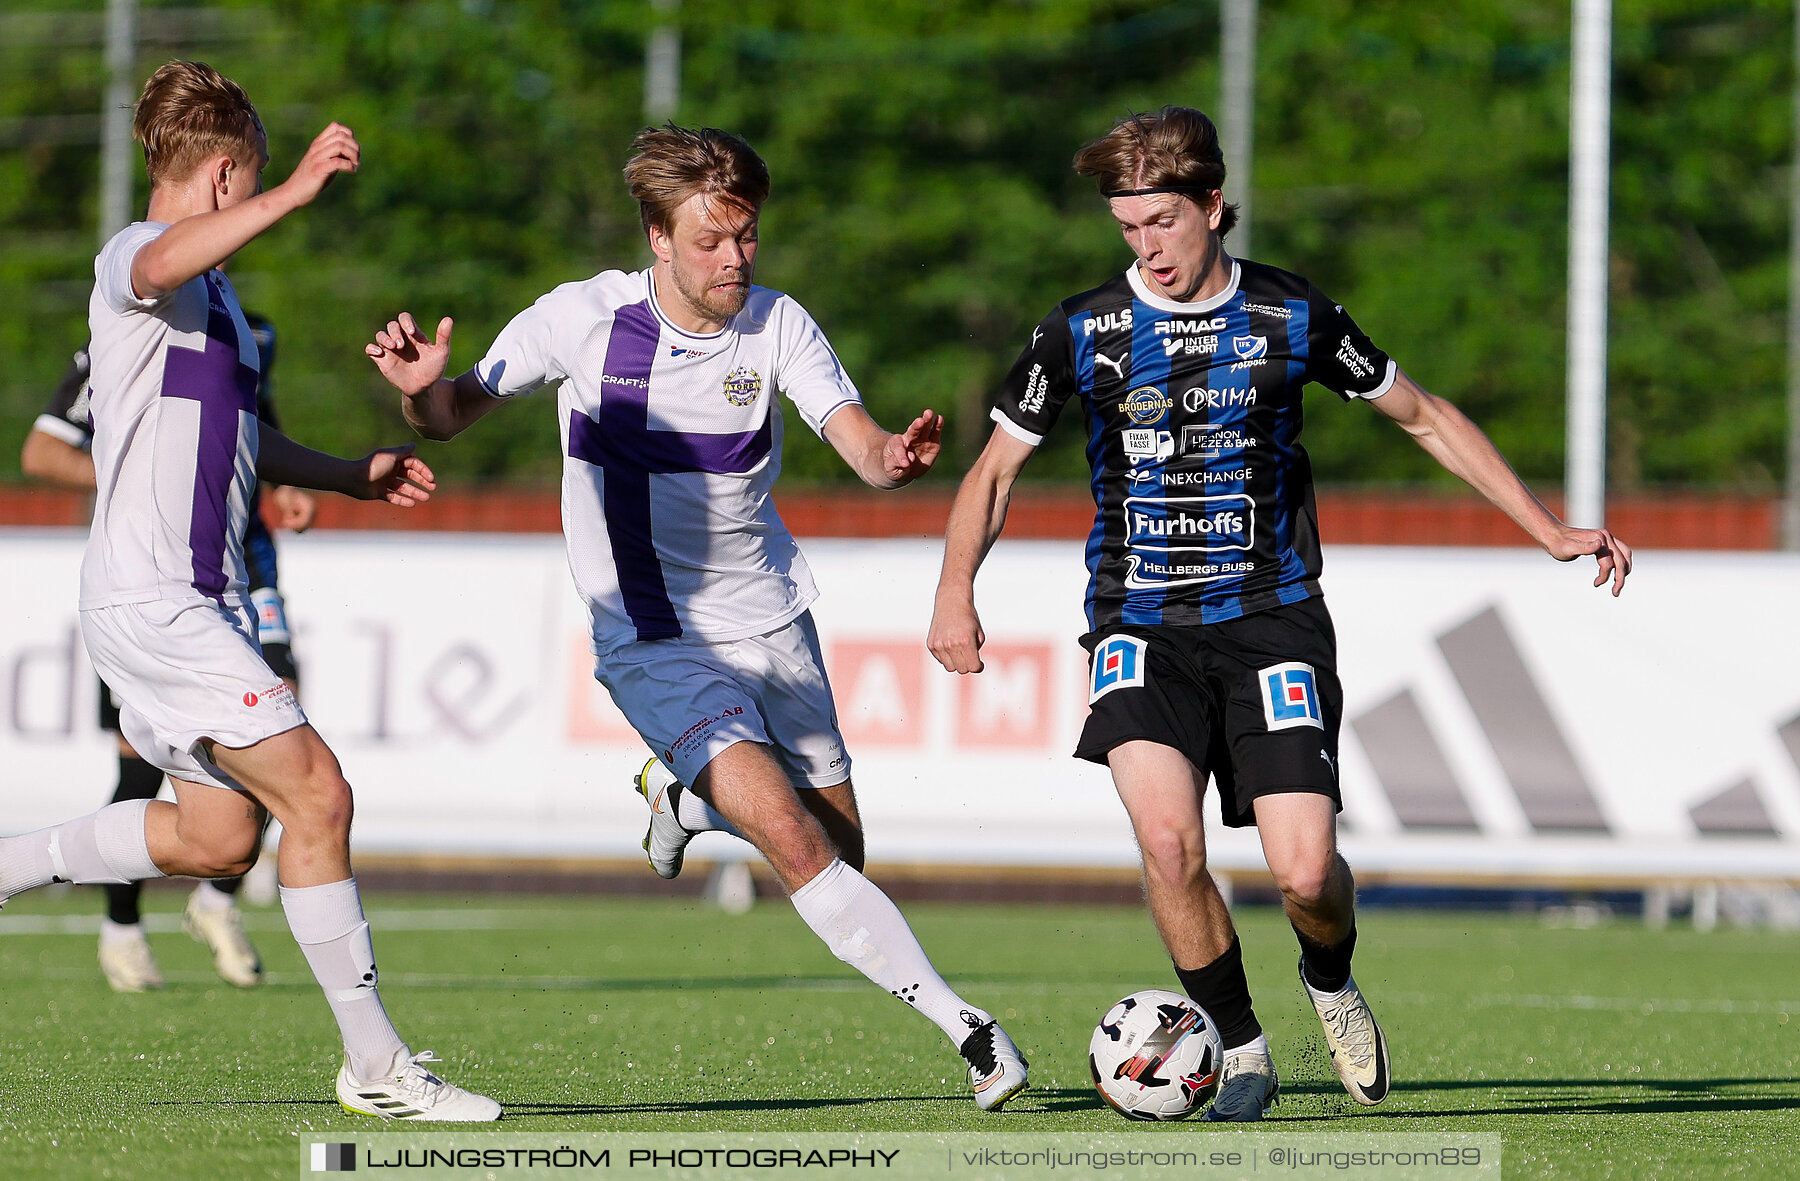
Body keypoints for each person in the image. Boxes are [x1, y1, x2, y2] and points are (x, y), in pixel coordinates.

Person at [927, 106, 1632, 1122]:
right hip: (1139, 622)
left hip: (1274, 619)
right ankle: (1243, 1045)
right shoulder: (1082, 329)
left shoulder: (1292, 315)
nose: (1147, 248)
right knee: (1169, 846)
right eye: (1129, 228)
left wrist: (1548, 526)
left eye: (1163, 221)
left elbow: (1423, 415)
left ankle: (1331, 977)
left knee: (1304, 870)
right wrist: (955, 590)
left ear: (1213, 205)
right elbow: (994, 471)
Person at [364, 123, 1029, 1112]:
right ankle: (973, 1030)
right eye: (711, 240)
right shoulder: (578, 319)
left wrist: (894, 456)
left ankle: (685, 801)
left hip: (769, 618)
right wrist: (420, 396)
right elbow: (451, 412)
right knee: (797, 848)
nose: (734, 259)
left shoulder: (778, 325)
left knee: (838, 851)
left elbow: (858, 443)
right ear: (658, 237)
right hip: (647, 631)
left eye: (747, 237)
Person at [0, 60, 499, 1121]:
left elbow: (240, 431)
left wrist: (346, 473)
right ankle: (377, 1067)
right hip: (156, 597)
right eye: (255, 184)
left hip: (197, 598)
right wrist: (296, 191)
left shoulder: (214, 300)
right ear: (227, 178)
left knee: (218, 836)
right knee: (318, 794)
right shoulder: (136, 257)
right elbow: (165, 255)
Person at [23, 317, 315, 993]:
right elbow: (43, 450)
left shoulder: (252, 330)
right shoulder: (132, 325)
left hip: (244, 562)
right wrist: (139, 475)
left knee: (283, 716)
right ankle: (121, 926)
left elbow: (249, 430)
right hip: (156, 578)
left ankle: (217, 900)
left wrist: (288, 483)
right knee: (143, 760)